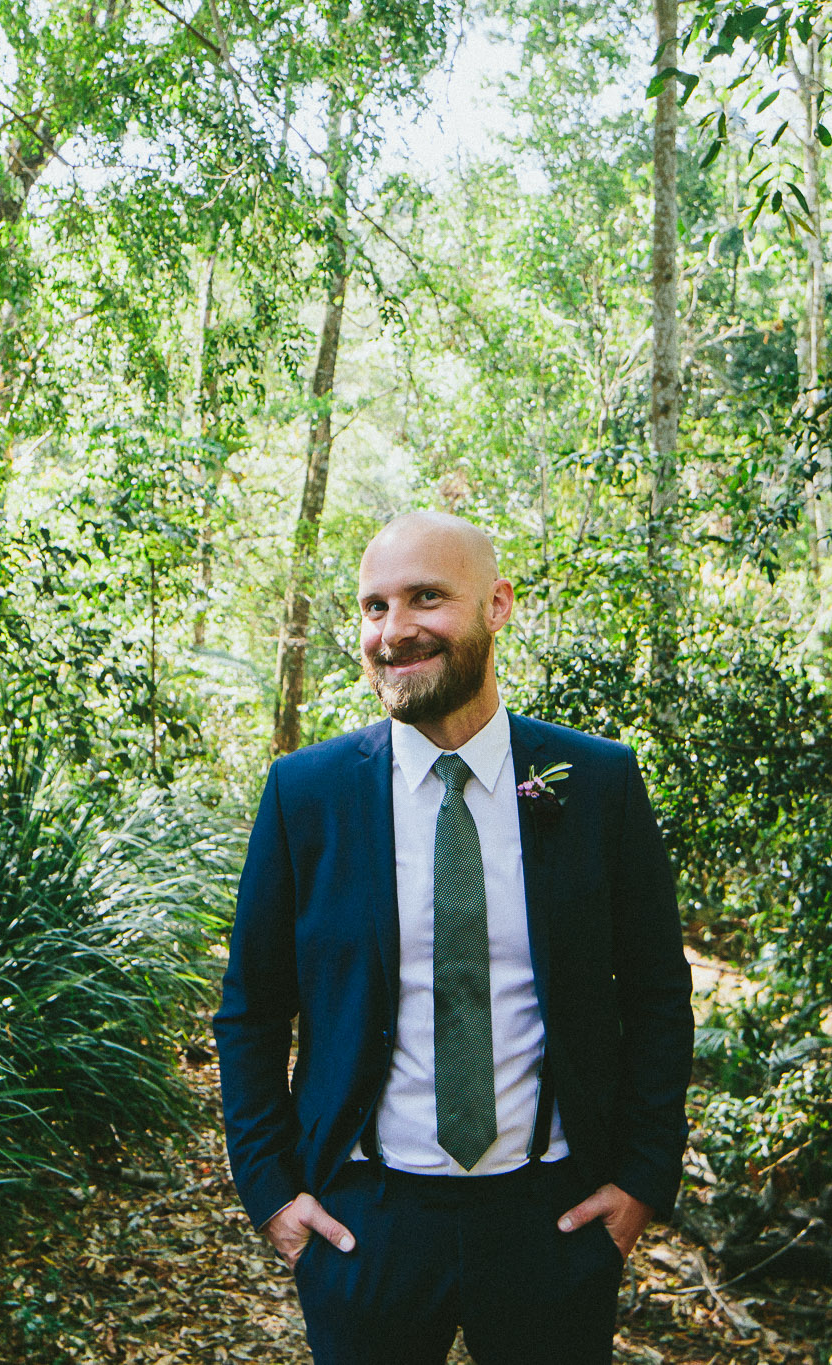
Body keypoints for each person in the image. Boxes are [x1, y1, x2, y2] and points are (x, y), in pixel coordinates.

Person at [214, 510, 694, 1365]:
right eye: (373, 607)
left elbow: (657, 991)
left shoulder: (597, 784)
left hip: (552, 1220)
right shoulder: (305, 795)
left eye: (425, 598)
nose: (394, 631)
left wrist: (640, 1180)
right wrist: (273, 1192)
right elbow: (251, 1010)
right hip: (366, 1226)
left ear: (496, 605)